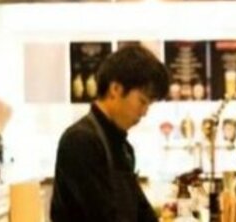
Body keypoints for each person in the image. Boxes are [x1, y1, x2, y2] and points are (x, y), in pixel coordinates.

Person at [51, 45, 170, 222]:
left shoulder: (122, 146)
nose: (144, 112)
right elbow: (103, 216)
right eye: (142, 101)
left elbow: (141, 211)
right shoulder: (80, 141)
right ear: (115, 89)